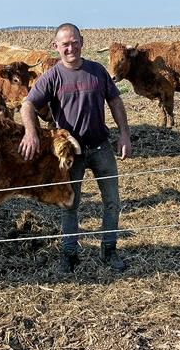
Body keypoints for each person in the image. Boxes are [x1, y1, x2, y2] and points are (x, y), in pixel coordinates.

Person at [19, 23, 132, 272]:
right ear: (56, 47)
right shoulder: (52, 77)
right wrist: (31, 132)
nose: (70, 48)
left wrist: (124, 134)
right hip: (71, 153)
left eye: (74, 42)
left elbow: (114, 100)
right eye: (65, 44)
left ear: (82, 41)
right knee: (70, 204)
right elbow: (27, 105)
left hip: (101, 147)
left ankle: (109, 250)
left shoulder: (97, 71)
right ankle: (69, 254)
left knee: (112, 201)